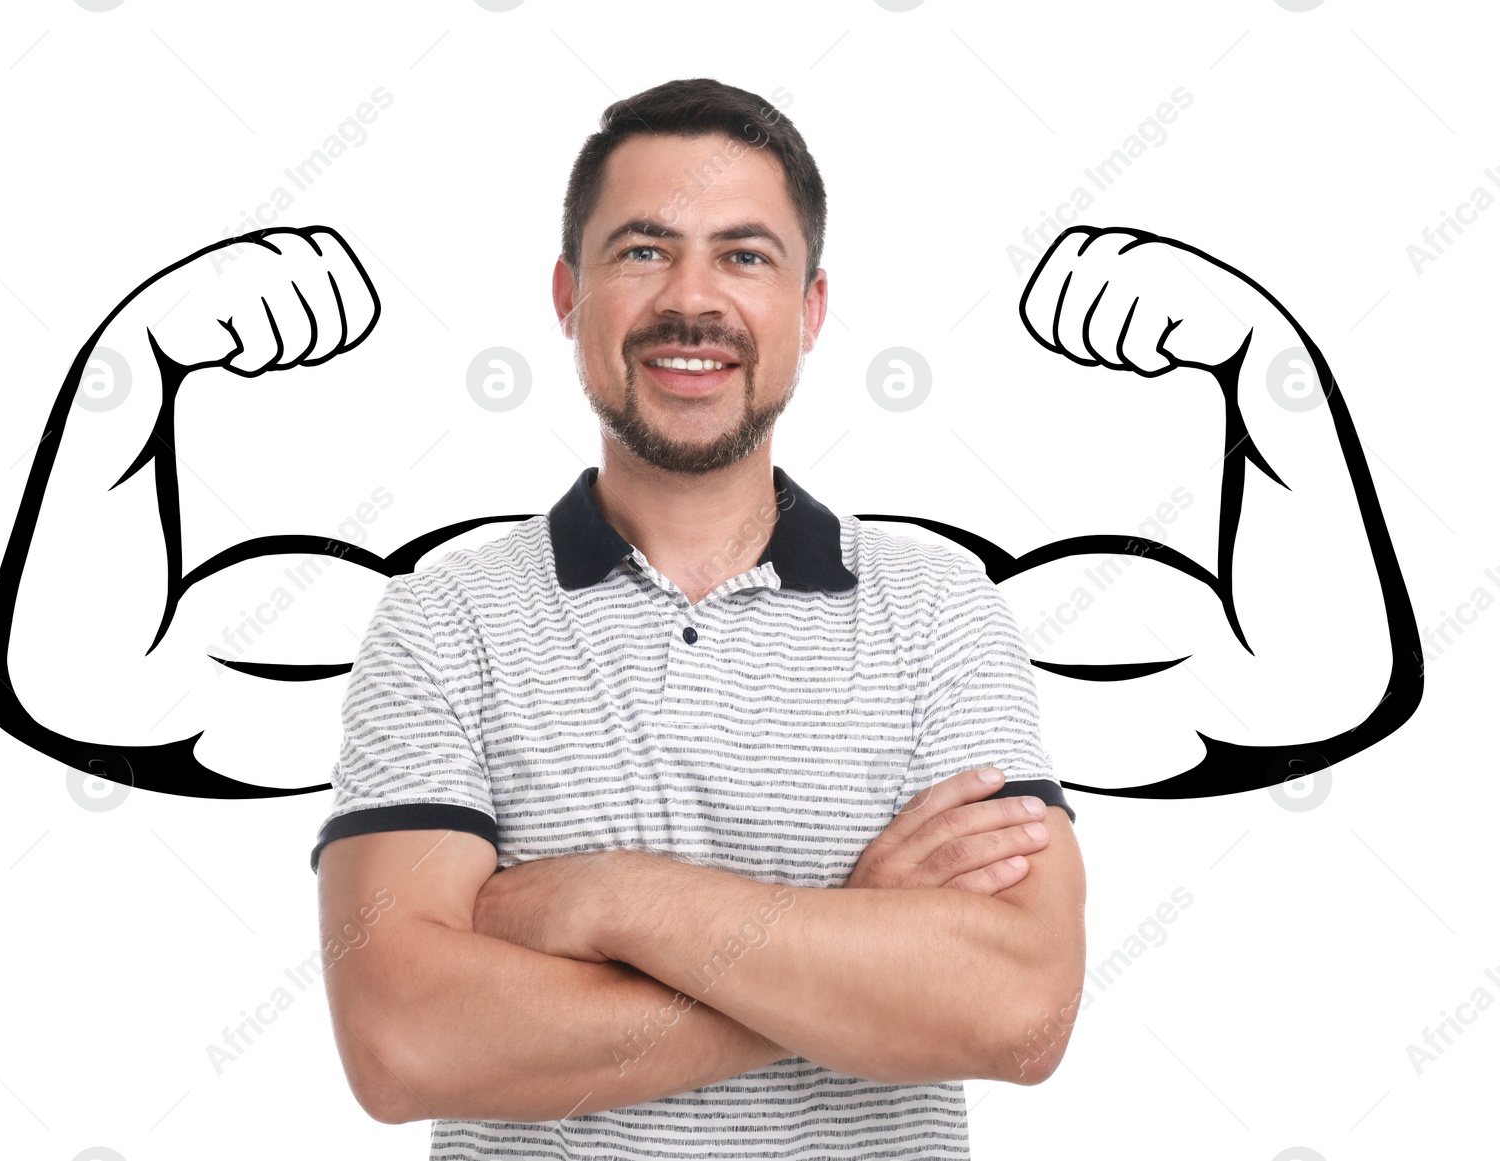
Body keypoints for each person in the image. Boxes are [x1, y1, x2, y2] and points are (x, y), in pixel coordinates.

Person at [313, 78, 1085, 1158]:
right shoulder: (443, 622)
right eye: (641, 251)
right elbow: (403, 1041)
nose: (692, 300)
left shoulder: (940, 610)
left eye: (744, 255)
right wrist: (849, 953)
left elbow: (1018, 1010)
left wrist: (608, 898)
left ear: (810, 309)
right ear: (566, 294)